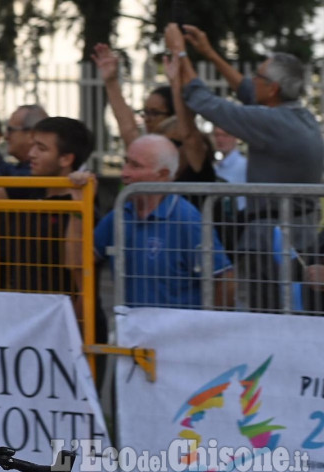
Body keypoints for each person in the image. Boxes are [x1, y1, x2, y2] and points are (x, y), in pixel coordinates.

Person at [166, 23, 324, 310]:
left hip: (273, 242)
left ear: (273, 89)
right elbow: (248, 91)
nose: (253, 80)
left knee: (268, 318)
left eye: (259, 76)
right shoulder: (299, 118)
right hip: (294, 235)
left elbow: (204, 101)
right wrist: (210, 54)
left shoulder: (272, 123)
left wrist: (179, 52)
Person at [94, 134, 235, 308]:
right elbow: (80, 260)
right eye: (126, 162)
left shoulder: (186, 219)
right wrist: (78, 202)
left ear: (162, 174)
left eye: (135, 166)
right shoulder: (122, 213)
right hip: (133, 331)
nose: (124, 173)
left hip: (177, 332)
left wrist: (209, 328)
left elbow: (224, 279)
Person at [91, 43, 174, 148]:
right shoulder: (147, 148)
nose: (147, 119)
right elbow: (129, 131)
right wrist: (111, 81)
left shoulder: (187, 150)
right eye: (146, 112)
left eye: (154, 113)